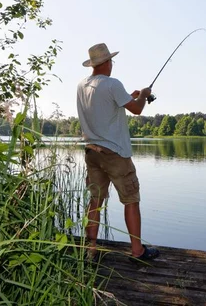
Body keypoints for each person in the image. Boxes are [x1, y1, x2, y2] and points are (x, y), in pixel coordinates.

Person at [77, 43, 159, 261]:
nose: (113, 64)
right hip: (115, 154)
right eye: (111, 61)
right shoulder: (113, 84)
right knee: (131, 199)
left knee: (95, 200)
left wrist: (129, 96)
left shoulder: (82, 85)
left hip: (92, 152)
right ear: (106, 63)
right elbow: (138, 109)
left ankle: (91, 250)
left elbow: (106, 107)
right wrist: (143, 94)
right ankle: (137, 251)